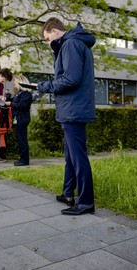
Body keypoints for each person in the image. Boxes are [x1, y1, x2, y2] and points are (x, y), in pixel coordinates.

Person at [37, 17, 96, 216]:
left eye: (47, 39)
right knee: (71, 155)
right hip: (72, 108)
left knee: (78, 157)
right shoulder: (72, 43)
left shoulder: (71, 43)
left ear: (54, 31)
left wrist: (46, 87)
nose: (48, 43)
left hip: (74, 109)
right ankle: (68, 193)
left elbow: (70, 79)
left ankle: (86, 202)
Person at [5, 75, 33, 166]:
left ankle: (24, 160)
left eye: (15, 82)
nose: (14, 84)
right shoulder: (20, 93)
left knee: (22, 139)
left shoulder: (26, 94)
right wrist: (7, 98)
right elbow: (14, 100)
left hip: (22, 118)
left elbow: (21, 106)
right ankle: (22, 158)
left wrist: (10, 104)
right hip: (18, 118)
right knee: (20, 139)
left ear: (21, 82)